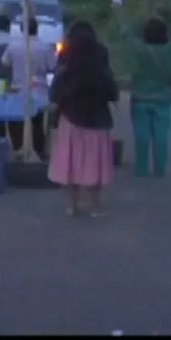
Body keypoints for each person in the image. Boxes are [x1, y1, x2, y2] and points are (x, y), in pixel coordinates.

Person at [48, 21, 118, 216]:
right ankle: (96, 206)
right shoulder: (101, 68)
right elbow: (112, 93)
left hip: (71, 120)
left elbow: (54, 95)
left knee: (71, 164)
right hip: (98, 121)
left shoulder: (66, 68)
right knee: (94, 165)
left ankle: (73, 205)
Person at [115, 0, 171, 178]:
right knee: (161, 136)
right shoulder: (170, 50)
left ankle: (141, 169)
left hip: (140, 98)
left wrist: (120, 13)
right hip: (163, 99)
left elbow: (126, 34)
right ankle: (160, 169)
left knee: (141, 135)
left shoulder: (139, 49)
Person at [0, 16, 57, 157]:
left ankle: (17, 149)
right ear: (37, 29)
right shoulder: (46, 47)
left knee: (16, 123)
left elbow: (5, 65)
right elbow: (52, 67)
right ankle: (39, 151)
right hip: (39, 90)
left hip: (17, 90)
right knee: (37, 123)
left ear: (21, 29)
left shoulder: (13, 46)